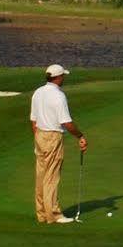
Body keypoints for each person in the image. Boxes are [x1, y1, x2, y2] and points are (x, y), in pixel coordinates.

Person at [30, 64, 87, 224]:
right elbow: (66, 122)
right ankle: (54, 214)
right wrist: (80, 136)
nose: (64, 78)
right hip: (52, 136)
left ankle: (42, 213)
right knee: (51, 177)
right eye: (63, 76)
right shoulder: (58, 96)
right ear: (58, 77)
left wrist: (39, 137)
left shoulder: (38, 92)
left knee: (41, 175)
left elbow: (33, 120)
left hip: (39, 135)